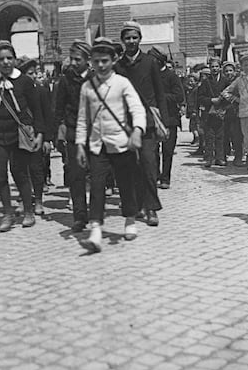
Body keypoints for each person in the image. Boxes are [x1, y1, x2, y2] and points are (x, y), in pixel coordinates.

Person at [75, 37, 146, 253]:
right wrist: (80, 144)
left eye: (105, 61)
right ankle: (96, 230)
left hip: (121, 144)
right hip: (97, 146)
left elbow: (137, 109)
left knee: (126, 183)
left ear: (113, 60)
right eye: (96, 61)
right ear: (91, 62)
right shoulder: (87, 86)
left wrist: (137, 131)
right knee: (96, 187)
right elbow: (82, 118)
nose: (101, 65)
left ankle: (130, 220)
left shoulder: (122, 83)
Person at [0, 40, 44, 231]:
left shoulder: (25, 82)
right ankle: (8, 214)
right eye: (1, 59)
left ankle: (28, 211)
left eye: (9, 58)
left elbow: (37, 109)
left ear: (15, 60)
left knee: (20, 173)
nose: (6, 62)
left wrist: (40, 133)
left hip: (19, 134)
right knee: (0, 174)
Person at [115, 21, 168, 226]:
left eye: (134, 37)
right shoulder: (118, 66)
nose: (131, 41)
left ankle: (152, 208)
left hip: (147, 122)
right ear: (123, 40)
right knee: (130, 166)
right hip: (125, 123)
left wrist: (162, 119)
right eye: (127, 38)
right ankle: (136, 206)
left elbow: (160, 93)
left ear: (140, 39)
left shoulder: (150, 63)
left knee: (148, 163)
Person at [55, 40, 93, 232]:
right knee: (76, 175)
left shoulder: (96, 78)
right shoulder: (65, 80)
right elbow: (58, 108)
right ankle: (79, 216)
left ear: (88, 60)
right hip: (73, 132)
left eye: (78, 59)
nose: (74, 63)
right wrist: (60, 129)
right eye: (72, 59)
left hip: (95, 132)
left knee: (97, 174)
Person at [18, 56, 54, 215]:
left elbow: (47, 114)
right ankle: (24, 199)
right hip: (20, 134)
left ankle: (38, 200)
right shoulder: (16, 92)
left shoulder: (41, 90)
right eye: (29, 73)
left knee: (36, 168)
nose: (33, 76)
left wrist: (47, 138)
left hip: (36, 134)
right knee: (20, 169)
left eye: (35, 73)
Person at [150, 48, 185, 189]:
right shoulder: (150, 76)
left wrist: (160, 97)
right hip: (153, 118)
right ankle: (156, 175)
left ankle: (165, 178)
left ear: (160, 61)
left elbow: (179, 96)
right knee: (152, 150)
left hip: (170, 119)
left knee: (168, 150)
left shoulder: (171, 76)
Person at [198, 56, 230, 167]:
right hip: (209, 112)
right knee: (209, 136)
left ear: (220, 67)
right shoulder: (206, 82)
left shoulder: (225, 81)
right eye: (212, 67)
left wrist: (224, 106)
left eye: (217, 66)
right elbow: (200, 97)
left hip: (222, 112)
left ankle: (220, 158)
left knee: (221, 136)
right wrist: (211, 100)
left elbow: (230, 95)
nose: (215, 69)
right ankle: (209, 158)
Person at [221, 61, 244, 166]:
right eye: (226, 71)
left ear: (235, 71)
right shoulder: (222, 82)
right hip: (227, 112)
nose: (229, 73)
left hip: (240, 111)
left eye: (231, 70)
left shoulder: (239, 81)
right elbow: (222, 94)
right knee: (228, 135)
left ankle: (240, 156)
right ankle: (227, 155)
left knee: (238, 135)